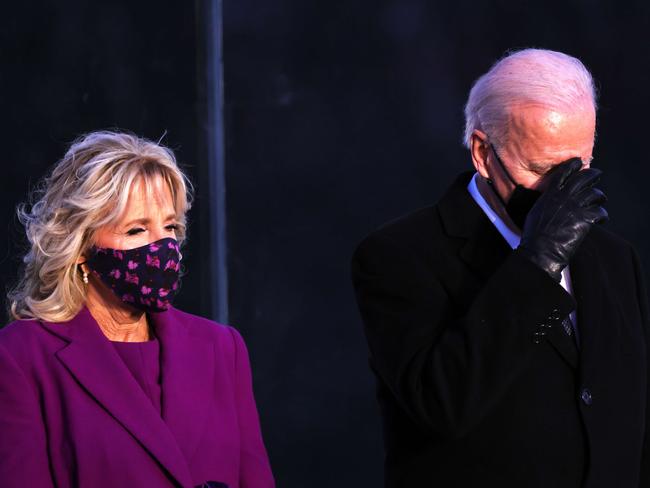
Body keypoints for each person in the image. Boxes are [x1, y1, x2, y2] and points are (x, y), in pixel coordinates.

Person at [351, 48, 650, 487]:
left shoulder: (614, 258)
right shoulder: (398, 256)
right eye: (541, 170)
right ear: (482, 152)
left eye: (579, 167)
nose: (562, 193)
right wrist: (538, 262)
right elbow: (443, 403)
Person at [0, 131, 274, 488]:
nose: (162, 246)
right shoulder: (21, 356)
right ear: (79, 246)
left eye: (171, 227)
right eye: (136, 230)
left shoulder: (222, 348)